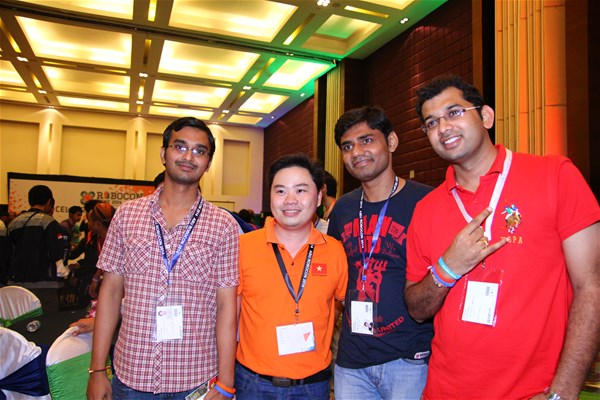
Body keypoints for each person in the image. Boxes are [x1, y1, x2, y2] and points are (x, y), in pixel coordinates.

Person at [405, 75, 600, 399]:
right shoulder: (426, 209)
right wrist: (447, 268)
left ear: (486, 116)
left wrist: (562, 393)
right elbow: (416, 308)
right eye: (432, 122)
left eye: (454, 112)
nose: (443, 127)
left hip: (533, 391)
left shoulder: (554, 176)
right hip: (443, 390)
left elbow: (591, 286)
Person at [87, 116, 240, 399]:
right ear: (163, 154)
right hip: (132, 374)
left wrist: (226, 383)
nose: (188, 157)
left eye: (199, 151)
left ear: (208, 163)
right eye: (180, 147)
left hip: (196, 378)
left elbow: (227, 307)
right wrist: (97, 370)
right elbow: (110, 293)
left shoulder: (223, 225)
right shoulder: (127, 215)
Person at [327, 106, 434, 399]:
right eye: (347, 146)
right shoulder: (343, 209)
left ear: (391, 142)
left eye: (366, 140)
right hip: (352, 361)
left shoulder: (426, 201)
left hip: (409, 358)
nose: (356, 152)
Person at [235, 154, 348, 400]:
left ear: (319, 196)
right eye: (281, 191)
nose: (290, 200)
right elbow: (231, 314)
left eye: (300, 190)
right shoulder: (243, 247)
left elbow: (337, 306)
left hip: (312, 386)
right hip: (253, 384)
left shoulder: (335, 251)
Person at [8, 185, 67, 284]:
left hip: (17, 281)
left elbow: (8, 252)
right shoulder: (49, 222)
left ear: (29, 201)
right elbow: (57, 253)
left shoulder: (14, 222)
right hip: (43, 282)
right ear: (49, 202)